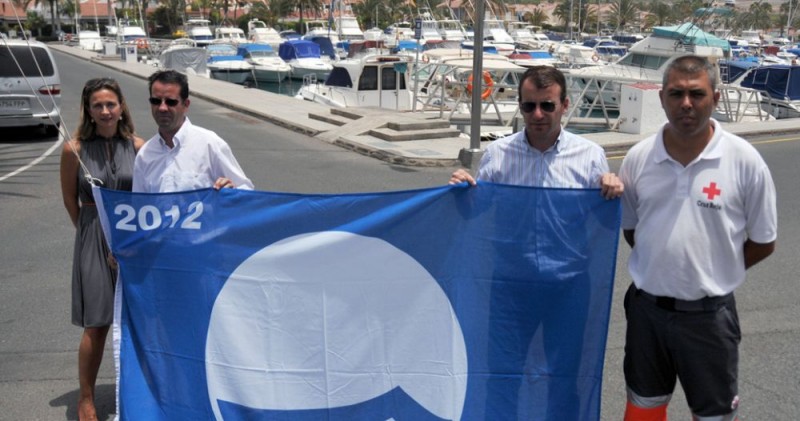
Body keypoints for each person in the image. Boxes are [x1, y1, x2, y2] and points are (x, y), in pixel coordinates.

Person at [449, 66, 623, 419]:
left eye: (547, 105)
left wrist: (611, 187)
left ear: (565, 105)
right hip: (511, 287)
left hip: (569, 287)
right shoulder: (498, 154)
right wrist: (461, 189)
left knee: (565, 378)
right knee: (502, 376)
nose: (538, 115)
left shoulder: (590, 156)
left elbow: (603, 217)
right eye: (529, 107)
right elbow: (476, 214)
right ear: (520, 106)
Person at [619, 55, 777, 420]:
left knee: (713, 415)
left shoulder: (745, 161)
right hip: (647, 314)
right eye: (675, 94)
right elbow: (633, 230)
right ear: (661, 98)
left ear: (715, 99)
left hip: (709, 319)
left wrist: (714, 269)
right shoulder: (639, 158)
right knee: (642, 409)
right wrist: (664, 265)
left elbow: (765, 241)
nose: (685, 103)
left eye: (696, 94)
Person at [59, 78, 145, 420]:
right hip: (93, 234)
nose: (106, 111)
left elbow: (149, 196)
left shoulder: (139, 146)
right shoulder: (74, 149)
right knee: (96, 323)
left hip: (132, 239)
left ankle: (139, 393)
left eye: (111, 104)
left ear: (121, 106)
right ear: (89, 110)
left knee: (138, 321)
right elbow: (70, 200)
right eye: (98, 105)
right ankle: (86, 398)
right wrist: (92, 234)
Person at [133, 69, 253, 193]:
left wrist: (232, 190)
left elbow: (246, 191)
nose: (162, 108)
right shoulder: (144, 155)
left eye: (171, 102)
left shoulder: (210, 144)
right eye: (156, 101)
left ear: (186, 105)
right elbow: (139, 206)